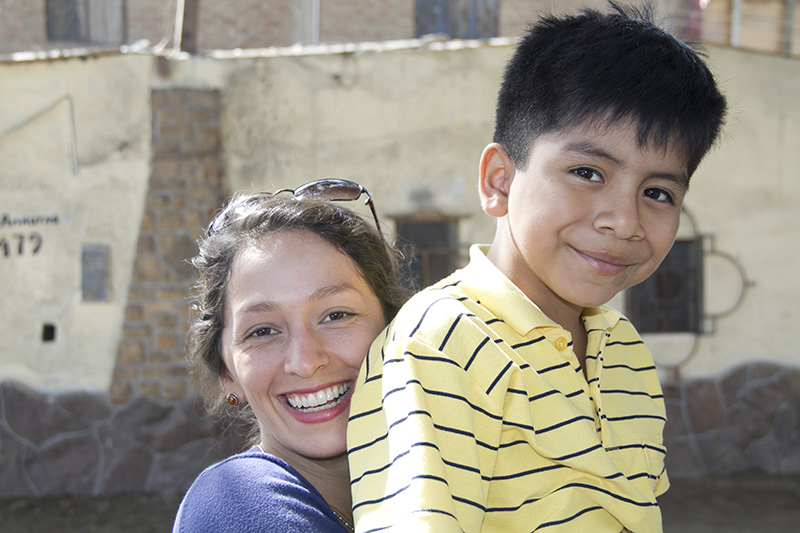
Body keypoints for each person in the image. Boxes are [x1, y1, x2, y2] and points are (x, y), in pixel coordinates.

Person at [347, 3, 727, 532]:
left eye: (658, 192)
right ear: (500, 181)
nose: (624, 220)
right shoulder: (441, 342)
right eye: (588, 172)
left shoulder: (625, 353)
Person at [172, 179, 407, 533]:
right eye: (262, 331)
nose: (305, 361)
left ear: (395, 330)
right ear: (227, 375)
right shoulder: (238, 506)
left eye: (336, 315)